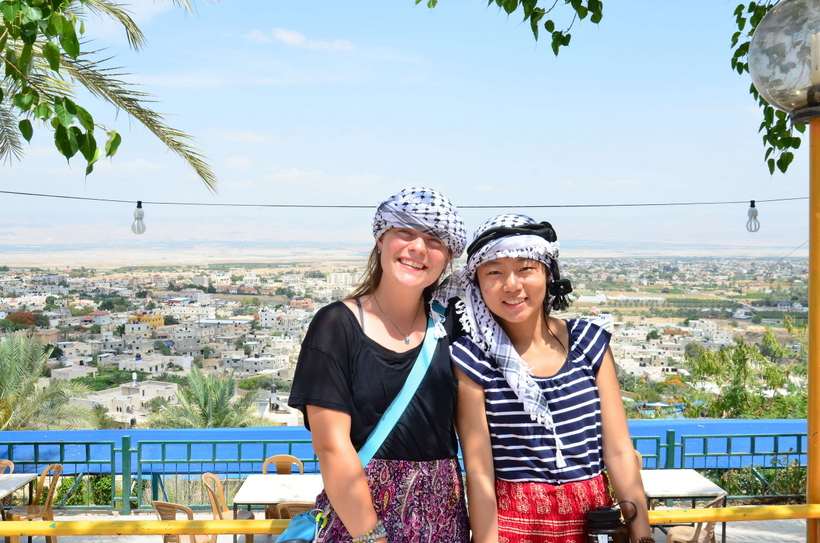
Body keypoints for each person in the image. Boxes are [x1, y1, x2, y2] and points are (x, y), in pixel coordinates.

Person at [441, 214, 654, 543]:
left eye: (526, 269)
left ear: (548, 273)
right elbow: (480, 471)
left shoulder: (589, 344)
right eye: (494, 272)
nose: (512, 285)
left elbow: (618, 451)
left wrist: (641, 532)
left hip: (593, 527)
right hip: (515, 530)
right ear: (478, 284)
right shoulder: (473, 360)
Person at [288, 187, 470, 543]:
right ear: (381, 240)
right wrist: (371, 536)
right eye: (405, 232)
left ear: (447, 257)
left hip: (445, 522)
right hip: (359, 525)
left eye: (434, 240)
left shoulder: (452, 325)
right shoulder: (336, 326)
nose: (418, 248)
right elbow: (331, 445)